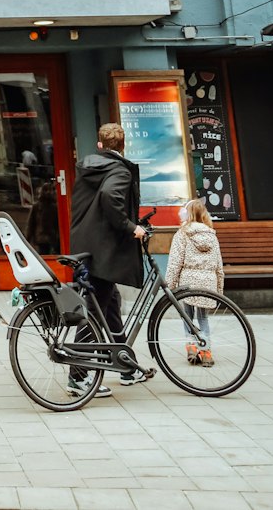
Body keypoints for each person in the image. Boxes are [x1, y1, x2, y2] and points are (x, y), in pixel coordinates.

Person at [68, 121, 152, 396]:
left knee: (110, 305)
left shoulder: (90, 166)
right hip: (103, 251)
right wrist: (132, 227)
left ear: (100, 145)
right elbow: (109, 197)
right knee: (94, 312)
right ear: (122, 145)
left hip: (87, 246)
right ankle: (78, 376)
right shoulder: (119, 170)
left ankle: (125, 367)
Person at [165, 196, 224, 367]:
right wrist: (219, 292)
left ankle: (191, 347)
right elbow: (219, 266)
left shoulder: (182, 234)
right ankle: (206, 352)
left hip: (188, 283)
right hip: (208, 283)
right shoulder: (212, 235)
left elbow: (175, 262)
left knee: (187, 316)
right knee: (203, 318)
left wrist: (170, 286)